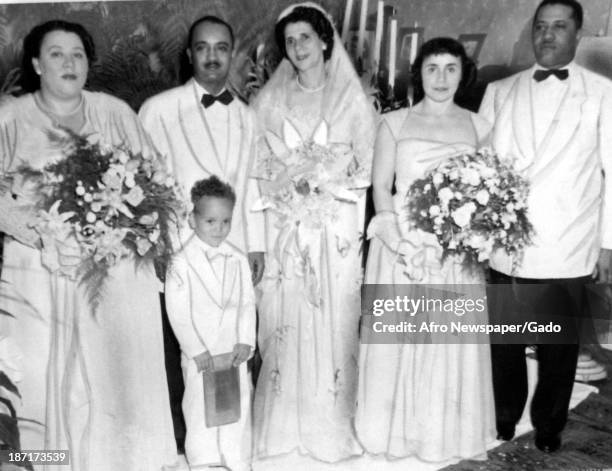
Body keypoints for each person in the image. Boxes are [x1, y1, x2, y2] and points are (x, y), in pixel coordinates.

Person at [0, 20, 177, 470]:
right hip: (40, 268)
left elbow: (155, 177)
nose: (69, 63)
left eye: (78, 54)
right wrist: (40, 232)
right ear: (37, 64)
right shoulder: (10, 118)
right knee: (44, 378)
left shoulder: (114, 111)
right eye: (57, 54)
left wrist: (124, 224)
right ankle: (43, 463)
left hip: (112, 271)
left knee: (117, 374)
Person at [479, 0, 612, 453]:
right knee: (506, 342)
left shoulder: (601, 92)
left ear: (578, 33)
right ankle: (503, 417)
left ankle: (550, 425)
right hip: (506, 244)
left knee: (558, 347)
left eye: (560, 26)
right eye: (541, 26)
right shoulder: (500, 90)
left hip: (567, 239)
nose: (548, 35)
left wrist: (608, 245)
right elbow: (481, 169)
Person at [356, 37, 496, 462]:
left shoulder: (479, 126)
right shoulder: (394, 122)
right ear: (419, 72)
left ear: (463, 72)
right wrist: (400, 243)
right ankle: (391, 432)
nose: (440, 78)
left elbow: (487, 191)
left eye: (450, 68)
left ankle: (436, 433)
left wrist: (463, 238)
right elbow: (381, 187)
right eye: (432, 68)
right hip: (402, 247)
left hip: (454, 252)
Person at [251, 2, 375, 463]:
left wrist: (324, 199)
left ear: (326, 40)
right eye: (290, 40)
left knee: (332, 322)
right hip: (286, 228)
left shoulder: (352, 101)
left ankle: (329, 425)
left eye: (306, 37)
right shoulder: (269, 102)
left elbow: (362, 174)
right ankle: (283, 426)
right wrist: (286, 199)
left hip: (333, 232)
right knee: (285, 320)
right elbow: (259, 171)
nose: (299, 47)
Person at [139, 15, 265, 275]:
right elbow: (143, 185)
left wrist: (256, 245)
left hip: (234, 246)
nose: (212, 56)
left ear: (231, 54)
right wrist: (156, 245)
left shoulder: (248, 116)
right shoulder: (158, 109)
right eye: (202, 47)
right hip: (179, 249)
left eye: (221, 48)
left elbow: (254, 184)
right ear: (189, 54)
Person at [165, 176, 256, 471]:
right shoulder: (180, 262)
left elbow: (246, 303)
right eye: (210, 221)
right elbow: (177, 312)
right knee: (198, 403)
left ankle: (235, 455)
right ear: (193, 220)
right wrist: (195, 349)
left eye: (226, 222)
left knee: (237, 401)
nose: (219, 229)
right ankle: (203, 458)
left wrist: (245, 340)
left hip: (232, 348)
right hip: (200, 351)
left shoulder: (239, 259)